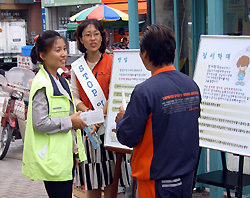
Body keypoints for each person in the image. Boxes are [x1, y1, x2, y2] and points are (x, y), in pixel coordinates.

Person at [115, 24, 201, 198]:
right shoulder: (191, 85)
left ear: (145, 54)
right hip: (186, 176)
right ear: (173, 52)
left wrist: (121, 119)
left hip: (156, 180)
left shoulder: (145, 91)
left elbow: (128, 136)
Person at [22, 30, 87, 198]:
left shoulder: (61, 80)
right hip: (53, 161)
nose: (63, 54)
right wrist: (70, 121)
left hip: (64, 157)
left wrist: (76, 152)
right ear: (42, 55)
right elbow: (40, 123)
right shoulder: (42, 83)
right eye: (57, 50)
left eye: (64, 48)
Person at [71, 19, 131, 198]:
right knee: (92, 179)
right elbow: (75, 97)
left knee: (113, 178)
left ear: (102, 36)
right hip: (89, 129)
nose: (92, 38)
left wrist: (99, 116)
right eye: (87, 35)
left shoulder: (112, 62)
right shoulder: (77, 67)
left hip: (109, 128)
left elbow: (114, 94)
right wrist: (90, 115)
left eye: (96, 33)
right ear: (81, 39)